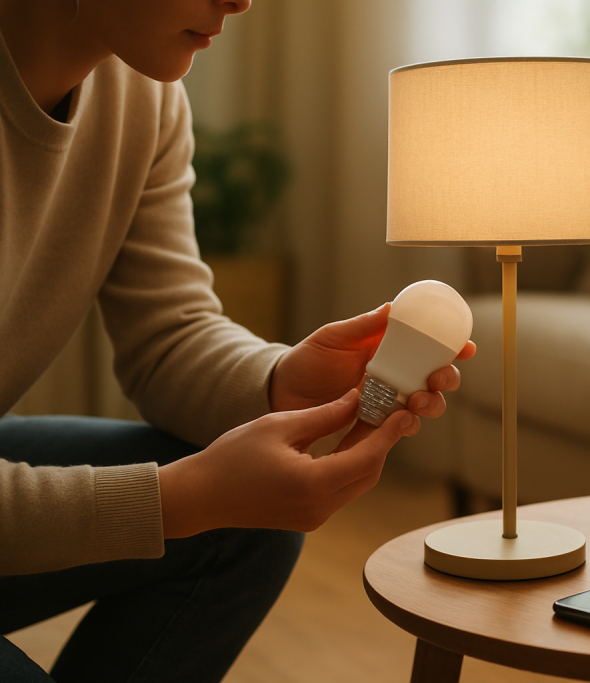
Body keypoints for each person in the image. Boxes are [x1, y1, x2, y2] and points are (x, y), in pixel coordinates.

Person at [0, 0, 475, 680]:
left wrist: (282, 383)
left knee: (248, 519)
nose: (243, 0)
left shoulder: (148, 99)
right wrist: (185, 497)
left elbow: (168, 335)